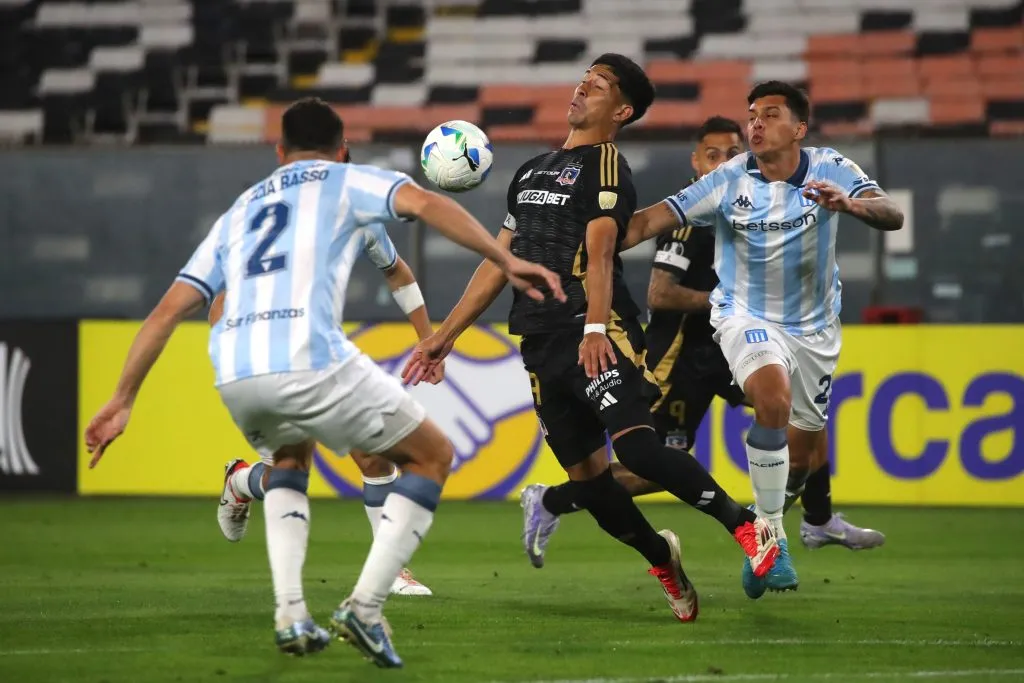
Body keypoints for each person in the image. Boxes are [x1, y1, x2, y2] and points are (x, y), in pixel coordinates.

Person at [84, 97, 564, 667]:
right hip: (307, 356)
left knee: (293, 461)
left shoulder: (240, 210)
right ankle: (366, 606)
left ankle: (290, 610)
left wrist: (122, 397)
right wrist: (504, 259)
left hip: (236, 368)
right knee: (431, 455)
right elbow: (428, 203)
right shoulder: (347, 182)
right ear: (341, 150)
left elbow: (167, 311)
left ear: (279, 150)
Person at [403, 56, 779, 624]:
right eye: (582, 79)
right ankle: (663, 558)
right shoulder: (531, 170)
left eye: (598, 86)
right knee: (594, 486)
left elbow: (602, 251)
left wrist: (596, 328)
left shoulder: (606, 165)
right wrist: (443, 338)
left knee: (640, 449)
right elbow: (501, 262)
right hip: (538, 342)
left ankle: (747, 526)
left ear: (621, 110)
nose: (582, 89)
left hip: (597, 331)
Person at [521, 116, 885, 572]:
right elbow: (659, 293)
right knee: (651, 465)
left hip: (728, 349)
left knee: (803, 414)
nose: (724, 161)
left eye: (731, 152)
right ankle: (552, 499)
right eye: (712, 154)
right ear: (695, 161)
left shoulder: (749, 205)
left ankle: (817, 518)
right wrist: (728, 299)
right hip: (681, 358)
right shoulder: (689, 220)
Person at [620, 81, 903, 599]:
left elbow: (892, 213)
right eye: (752, 114)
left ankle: (786, 522)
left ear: (799, 129)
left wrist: (852, 206)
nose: (755, 124)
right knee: (770, 398)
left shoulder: (831, 168)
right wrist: (588, 229)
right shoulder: (727, 181)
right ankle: (768, 541)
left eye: (770, 115)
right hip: (743, 314)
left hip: (815, 329)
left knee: (802, 454)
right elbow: (649, 222)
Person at [215, 148, 436, 597]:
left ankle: (241, 481)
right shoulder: (261, 216)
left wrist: (426, 336)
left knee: (370, 457)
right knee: (301, 470)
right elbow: (220, 287)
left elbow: (396, 271)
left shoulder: (357, 218)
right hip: (264, 354)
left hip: (315, 353)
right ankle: (242, 482)